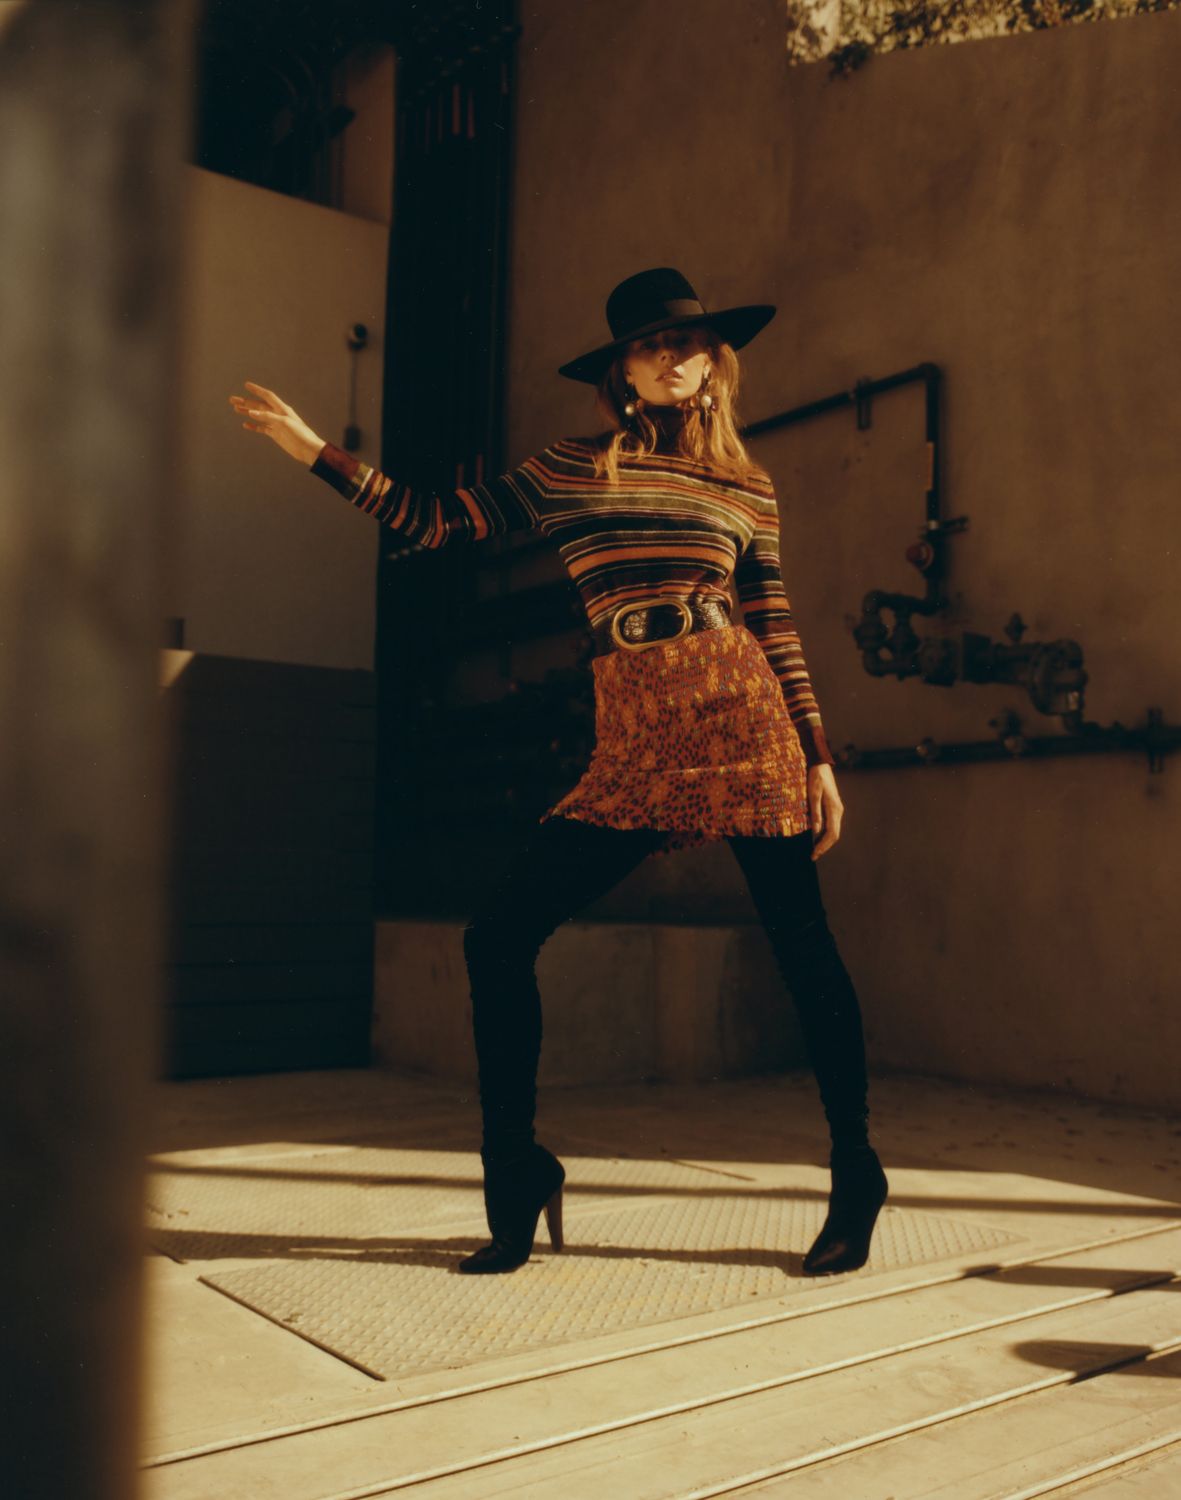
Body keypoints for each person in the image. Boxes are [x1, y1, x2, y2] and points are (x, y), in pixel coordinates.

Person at [229, 266, 889, 1280]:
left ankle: (855, 1174)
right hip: (633, 729)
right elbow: (431, 521)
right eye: (649, 346)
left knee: (802, 947)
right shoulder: (569, 469)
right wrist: (313, 450)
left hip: (740, 708)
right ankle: (517, 1167)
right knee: (498, 936)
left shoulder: (746, 487)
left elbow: (775, 623)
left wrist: (818, 755)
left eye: (686, 342)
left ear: (713, 362)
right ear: (620, 371)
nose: (670, 359)